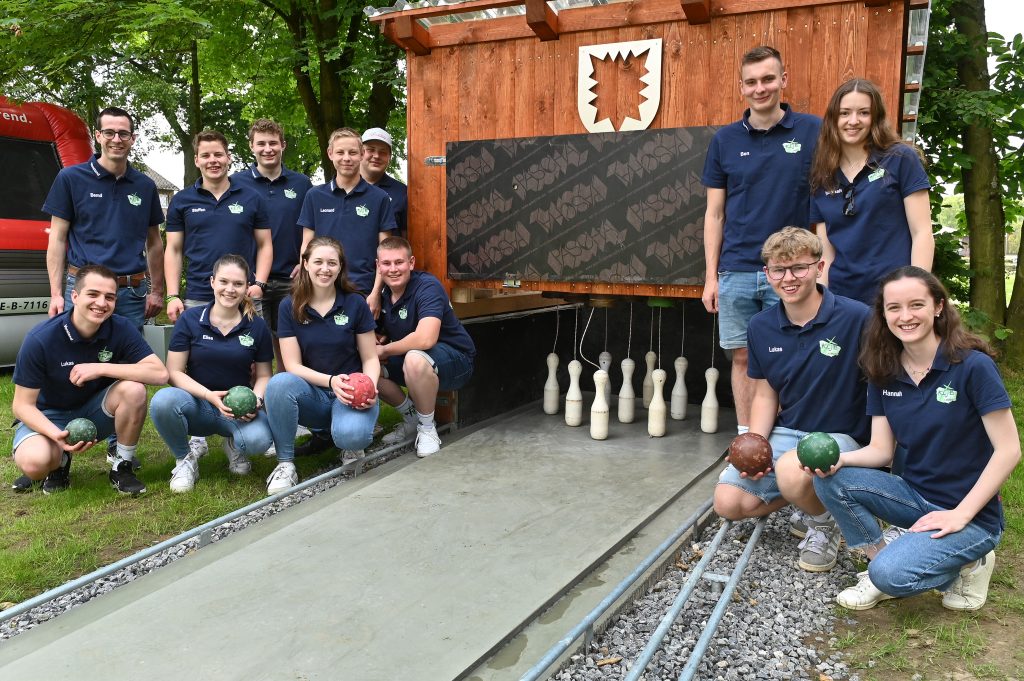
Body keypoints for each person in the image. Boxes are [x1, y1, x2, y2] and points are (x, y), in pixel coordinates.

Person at [811, 267, 1020, 611]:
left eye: (916, 305)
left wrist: (962, 514)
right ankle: (878, 567)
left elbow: (1009, 450)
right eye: (894, 307)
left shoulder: (972, 366)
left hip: (971, 513)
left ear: (938, 306)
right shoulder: (884, 370)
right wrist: (840, 460)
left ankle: (972, 562)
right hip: (915, 497)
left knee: (894, 576)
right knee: (832, 481)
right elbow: (881, 451)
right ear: (883, 314)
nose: (905, 316)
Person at [713, 228, 870, 573]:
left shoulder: (857, 317)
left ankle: (824, 524)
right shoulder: (761, 326)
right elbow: (766, 393)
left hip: (841, 437)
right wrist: (754, 444)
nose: (789, 278)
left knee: (793, 470)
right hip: (789, 433)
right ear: (767, 274)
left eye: (799, 267)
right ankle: (810, 497)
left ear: (820, 267)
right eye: (779, 270)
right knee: (728, 503)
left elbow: (883, 383)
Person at [33, 106, 166, 488]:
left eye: (124, 133)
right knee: (70, 365)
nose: (117, 139)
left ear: (133, 139)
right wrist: (57, 293)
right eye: (110, 132)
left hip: (130, 291)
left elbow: (154, 242)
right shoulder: (70, 178)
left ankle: (118, 451)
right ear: (98, 135)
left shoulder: (143, 186)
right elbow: (57, 239)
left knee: (126, 367)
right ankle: (61, 450)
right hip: (83, 291)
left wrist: (157, 288)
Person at [701, 46, 822, 434]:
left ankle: (786, 441)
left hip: (793, 270)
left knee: (793, 356)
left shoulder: (812, 131)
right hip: (736, 269)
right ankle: (747, 445)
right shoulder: (724, 140)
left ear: (783, 81)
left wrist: (822, 268)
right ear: (741, 87)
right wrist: (710, 276)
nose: (760, 88)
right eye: (751, 82)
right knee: (741, 358)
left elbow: (825, 202)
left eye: (768, 79)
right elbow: (715, 214)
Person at [11, 265, 168, 495]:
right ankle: (59, 462)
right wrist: (57, 436)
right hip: (49, 417)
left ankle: (121, 465)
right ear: (74, 296)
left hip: (94, 412)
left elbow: (160, 373)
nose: (101, 303)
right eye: (93, 294)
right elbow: (21, 405)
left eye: (109, 297)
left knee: (134, 390)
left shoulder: (120, 327)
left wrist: (100, 368)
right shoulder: (41, 338)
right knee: (35, 464)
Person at [263, 236, 381, 495]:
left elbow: (370, 358)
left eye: (332, 263)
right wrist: (330, 381)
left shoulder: (355, 303)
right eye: (318, 261)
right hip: (314, 393)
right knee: (280, 383)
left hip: (351, 393)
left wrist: (369, 387)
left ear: (340, 267)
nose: (324, 269)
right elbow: (292, 364)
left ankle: (347, 439)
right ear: (305, 264)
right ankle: (285, 463)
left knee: (352, 436)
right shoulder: (289, 306)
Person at [149, 255, 274, 492]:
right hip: (198, 404)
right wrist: (208, 396)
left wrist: (255, 401)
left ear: (247, 287)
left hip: (236, 409)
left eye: (238, 284)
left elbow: (265, 375)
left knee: (258, 441)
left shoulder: (256, 325)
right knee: (162, 402)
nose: (230, 289)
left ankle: (234, 443)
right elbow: (174, 372)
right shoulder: (190, 319)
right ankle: (184, 459)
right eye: (224, 282)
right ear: (212, 282)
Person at [809, 79, 933, 305]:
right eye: (844, 113)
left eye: (863, 112)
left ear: (875, 117)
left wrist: (917, 291)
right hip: (842, 299)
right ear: (833, 119)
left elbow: (922, 232)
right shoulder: (822, 174)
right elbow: (826, 254)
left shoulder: (900, 159)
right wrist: (823, 304)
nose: (853, 121)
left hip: (895, 295)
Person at [375, 236, 475, 457]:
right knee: (368, 367)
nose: (393, 269)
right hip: (417, 360)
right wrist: (378, 343)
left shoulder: (427, 286)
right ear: (378, 266)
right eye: (387, 263)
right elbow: (377, 335)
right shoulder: (382, 295)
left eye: (399, 262)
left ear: (411, 263)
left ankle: (428, 429)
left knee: (414, 358)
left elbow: (426, 339)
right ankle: (412, 420)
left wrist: (384, 350)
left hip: (456, 360)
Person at [164, 129, 272, 322]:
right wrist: (172, 295)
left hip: (243, 294)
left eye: (218, 154)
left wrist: (260, 284)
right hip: (198, 296)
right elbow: (173, 249)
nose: (213, 160)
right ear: (197, 160)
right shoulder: (181, 200)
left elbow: (265, 244)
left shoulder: (252, 198)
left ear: (228, 158)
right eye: (205, 155)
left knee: (250, 350)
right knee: (198, 352)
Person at [231, 119, 313, 370]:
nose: (268, 149)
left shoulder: (302, 184)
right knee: (250, 343)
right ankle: (253, 401)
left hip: (291, 276)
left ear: (283, 145)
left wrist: (305, 261)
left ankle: (286, 396)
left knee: (289, 343)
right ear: (251, 147)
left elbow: (312, 229)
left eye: (273, 143)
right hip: (249, 279)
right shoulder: (236, 183)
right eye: (261, 144)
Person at [298, 127, 396, 317]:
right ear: (330, 154)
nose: (346, 158)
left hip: (363, 290)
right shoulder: (314, 196)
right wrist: (305, 286)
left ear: (361, 154)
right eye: (340, 152)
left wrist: (376, 293)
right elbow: (306, 246)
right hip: (322, 287)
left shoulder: (380, 198)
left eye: (352, 152)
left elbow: (386, 252)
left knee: (363, 345)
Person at [361, 127, 408, 238]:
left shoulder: (402, 192)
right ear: (360, 153)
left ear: (389, 157)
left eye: (383, 152)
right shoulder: (343, 188)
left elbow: (407, 237)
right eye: (371, 150)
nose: (376, 156)